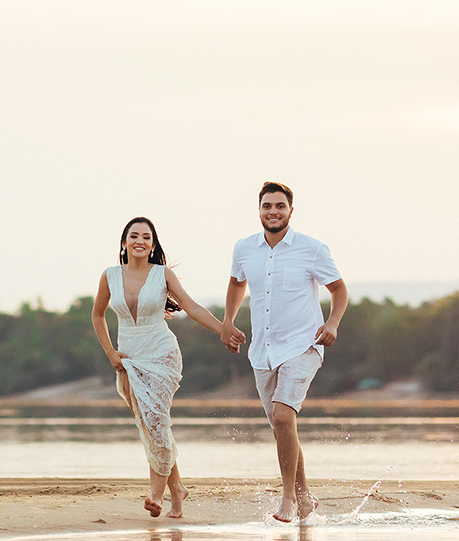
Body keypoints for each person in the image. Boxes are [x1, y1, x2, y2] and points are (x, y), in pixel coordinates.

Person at [221, 182, 348, 523]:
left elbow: (338, 289)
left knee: (281, 417)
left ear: (291, 210)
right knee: (283, 426)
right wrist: (228, 322)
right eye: (267, 206)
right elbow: (236, 282)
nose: (273, 211)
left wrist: (333, 323)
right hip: (263, 350)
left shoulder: (312, 248)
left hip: (303, 345)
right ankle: (305, 499)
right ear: (259, 210)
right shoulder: (244, 248)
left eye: (280, 206)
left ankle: (288, 497)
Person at [92, 217, 229, 518]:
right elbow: (97, 315)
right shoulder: (110, 276)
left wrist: (224, 330)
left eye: (146, 237)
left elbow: (192, 307)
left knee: (156, 421)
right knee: (153, 425)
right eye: (134, 236)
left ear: (153, 245)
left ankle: (156, 494)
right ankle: (177, 489)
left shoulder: (163, 274)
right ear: (124, 242)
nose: (139, 241)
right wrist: (110, 353)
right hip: (129, 359)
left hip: (162, 354)